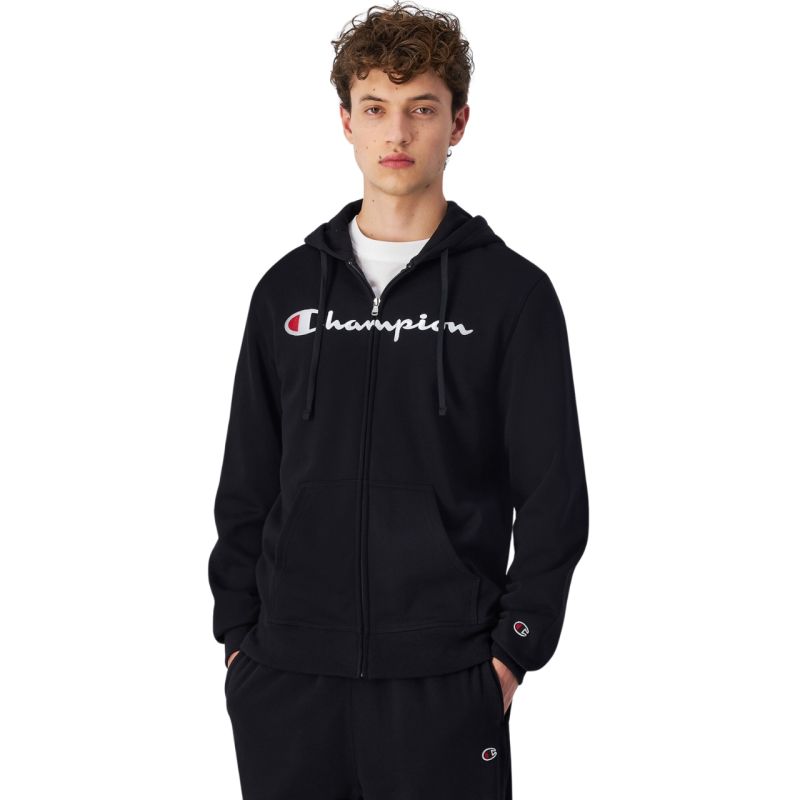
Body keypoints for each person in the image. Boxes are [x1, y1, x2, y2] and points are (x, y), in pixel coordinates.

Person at [208, 3, 589, 798]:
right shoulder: (286, 290)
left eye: (422, 109)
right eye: (376, 108)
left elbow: (554, 498)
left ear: (458, 123)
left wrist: (510, 656)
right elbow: (247, 481)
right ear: (346, 121)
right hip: (286, 677)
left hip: (444, 680)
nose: (397, 133)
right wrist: (239, 639)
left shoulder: (512, 295)